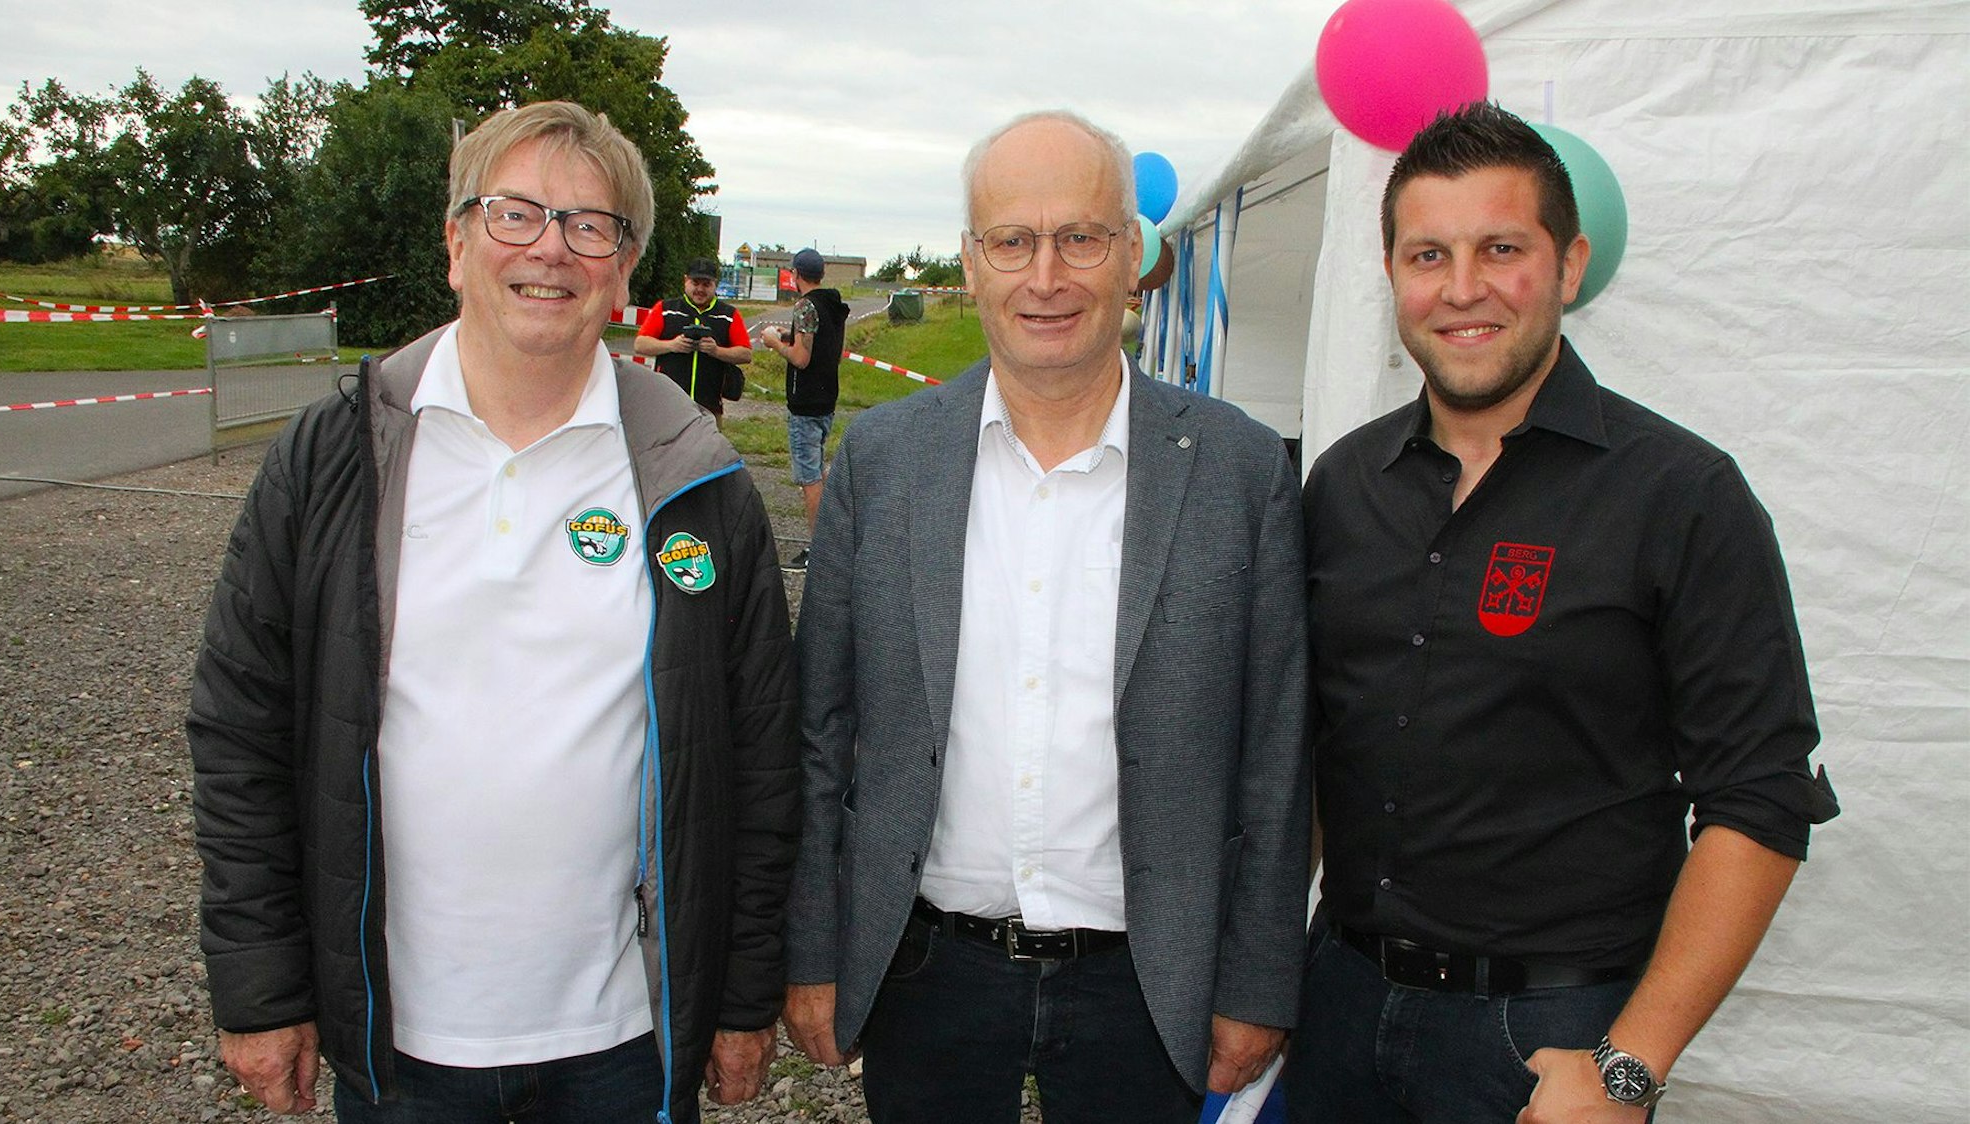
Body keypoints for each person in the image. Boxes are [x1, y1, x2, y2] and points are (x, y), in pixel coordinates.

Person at [186, 101, 799, 1124]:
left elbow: (760, 752)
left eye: (587, 224)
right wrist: (262, 990)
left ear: (621, 269)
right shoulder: (334, 456)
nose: (550, 249)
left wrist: (739, 993)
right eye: (516, 213)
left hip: (623, 1042)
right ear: (456, 242)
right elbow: (241, 726)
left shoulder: (696, 479)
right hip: (400, 1046)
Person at [1289, 101, 1840, 1123]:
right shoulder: (1342, 485)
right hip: (1337, 1004)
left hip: (1549, 1037)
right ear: (1392, 275)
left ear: (1568, 264)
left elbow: (1759, 799)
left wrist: (1627, 1064)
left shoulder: (1680, 493)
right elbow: (1318, 746)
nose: (1461, 289)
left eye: (1501, 248)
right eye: (1427, 254)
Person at [782, 109, 1310, 1124]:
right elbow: (821, 732)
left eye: (1081, 237)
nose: (1047, 275)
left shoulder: (1239, 471)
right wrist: (812, 948)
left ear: (1131, 259)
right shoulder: (884, 464)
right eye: (1012, 241)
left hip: (1147, 983)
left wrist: (1256, 982)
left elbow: (1274, 754)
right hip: (926, 971)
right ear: (971, 264)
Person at [759, 247, 847, 571]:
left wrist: (775, 343)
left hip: (806, 404)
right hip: (826, 400)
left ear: (796, 274)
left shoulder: (805, 306)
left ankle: (818, 552)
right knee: (819, 473)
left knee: (810, 480)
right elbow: (829, 351)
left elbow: (801, 358)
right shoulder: (834, 306)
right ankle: (828, 544)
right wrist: (790, 335)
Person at [633, 257, 753, 424]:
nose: (700, 289)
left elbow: (746, 354)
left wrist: (716, 351)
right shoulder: (665, 309)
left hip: (709, 406)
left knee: (707, 450)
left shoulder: (729, 315)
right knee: (668, 449)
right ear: (685, 281)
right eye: (695, 283)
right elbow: (640, 344)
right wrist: (671, 345)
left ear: (715, 284)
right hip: (668, 404)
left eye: (706, 284)